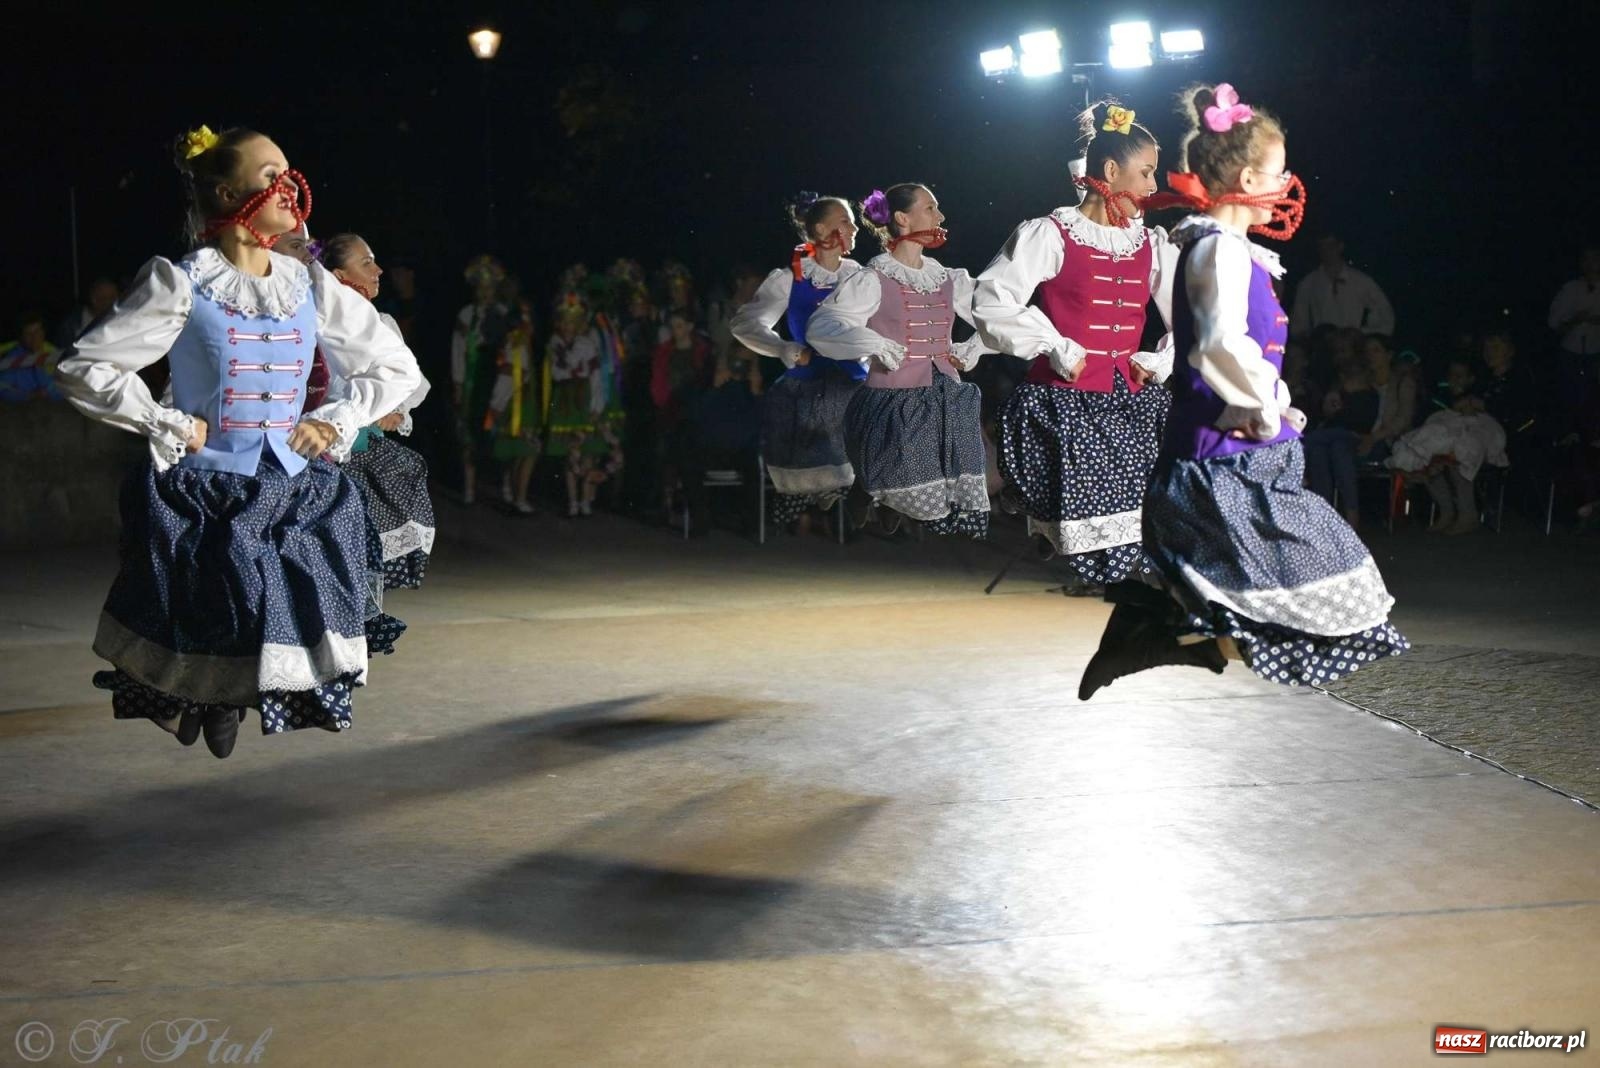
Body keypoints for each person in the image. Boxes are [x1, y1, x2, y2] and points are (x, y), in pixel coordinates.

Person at [53, 125, 422, 758]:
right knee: (219, 600)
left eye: (289, 171)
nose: (289, 186)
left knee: (289, 603)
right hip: (208, 486)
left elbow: (395, 367)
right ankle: (203, 699)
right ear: (227, 193)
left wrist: (335, 419)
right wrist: (164, 421)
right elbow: (84, 366)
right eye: (270, 175)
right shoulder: (183, 282)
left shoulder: (307, 284)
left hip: (294, 482)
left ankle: (224, 700)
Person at [1079, 83, 1407, 700]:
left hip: (1250, 455)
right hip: (1221, 461)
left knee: (1310, 592)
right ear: (1249, 178)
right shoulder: (1216, 251)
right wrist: (1263, 406)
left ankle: (1160, 629)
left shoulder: (1236, 252)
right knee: (1310, 588)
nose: (1285, 186)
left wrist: (1276, 408)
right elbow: (1217, 346)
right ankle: (1157, 630)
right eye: (1278, 174)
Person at [974, 100, 1176, 578]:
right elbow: (992, 299)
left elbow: (1191, 318)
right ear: (1111, 171)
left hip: (1129, 402)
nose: (1153, 186)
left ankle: (1077, 543)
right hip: (1065, 401)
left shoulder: (1150, 244)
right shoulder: (1051, 234)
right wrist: (1054, 344)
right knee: (1087, 520)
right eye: (1146, 172)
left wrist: (1162, 359)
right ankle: (1049, 520)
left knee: (1141, 530)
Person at [808, 183, 990, 537]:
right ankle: (873, 492)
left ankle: (887, 500)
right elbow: (824, 325)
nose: (940, 216)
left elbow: (995, 316)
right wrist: (874, 342)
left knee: (942, 490)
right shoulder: (874, 278)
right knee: (902, 467)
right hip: (893, 399)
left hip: (944, 396)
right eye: (930, 208)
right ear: (902, 218)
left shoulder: (947, 278)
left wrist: (975, 346)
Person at [731, 192, 865, 531]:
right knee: (799, 410)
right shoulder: (792, 277)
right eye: (846, 221)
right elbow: (745, 323)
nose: (854, 228)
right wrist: (785, 349)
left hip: (853, 376)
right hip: (810, 378)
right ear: (821, 230)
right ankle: (813, 488)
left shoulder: (859, 277)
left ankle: (854, 486)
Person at [318, 232, 436, 587]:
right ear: (338, 276)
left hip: (359, 453)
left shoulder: (381, 324)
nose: (378, 270)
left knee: (363, 563)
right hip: (320, 454)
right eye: (366, 263)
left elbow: (412, 383)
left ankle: (361, 619)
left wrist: (394, 411)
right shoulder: (315, 323)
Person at [450, 255, 510, 505]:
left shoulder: (504, 313)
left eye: (490, 287)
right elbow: (458, 349)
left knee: (501, 433)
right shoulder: (467, 314)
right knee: (469, 434)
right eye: (481, 287)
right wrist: (458, 382)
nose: (485, 292)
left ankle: (506, 489)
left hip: (498, 379)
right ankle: (469, 489)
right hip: (474, 380)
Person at [651, 307, 713, 529]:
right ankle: (667, 506)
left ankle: (696, 514)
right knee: (667, 457)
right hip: (670, 412)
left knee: (689, 461)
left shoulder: (702, 351)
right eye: (672, 327)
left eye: (679, 326)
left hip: (694, 415)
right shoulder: (664, 351)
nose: (675, 331)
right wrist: (664, 403)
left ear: (689, 327)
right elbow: (658, 382)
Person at [1289, 232, 1395, 338]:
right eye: (1322, 247)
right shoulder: (1308, 283)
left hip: (1352, 344)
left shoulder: (1360, 281)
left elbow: (1384, 313)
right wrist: (1307, 338)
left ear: (1340, 247)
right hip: (1323, 344)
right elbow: (1299, 320)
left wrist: (1363, 333)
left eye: (1330, 246)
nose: (1326, 251)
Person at [1547, 245, 1600, 422]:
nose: (1590, 264)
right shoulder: (1570, 288)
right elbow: (1553, 322)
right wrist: (1575, 320)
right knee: (1569, 398)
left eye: (1594, 259)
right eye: (1586, 259)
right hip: (1570, 353)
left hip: (1597, 353)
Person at [0, 314, 61, 401]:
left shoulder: (54, 354)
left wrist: (48, 391)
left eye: (37, 331)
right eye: (28, 334)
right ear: (22, 337)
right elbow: (2, 387)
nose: (34, 337)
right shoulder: (13, 359)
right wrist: (29, 396)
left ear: (43, 333)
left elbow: (66, 386)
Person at [54, 277, 120, 351]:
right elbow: (63, 352)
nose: (109, 303)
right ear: (93, 299)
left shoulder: (122, 319)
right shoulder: (72, 325)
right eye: (103, 298)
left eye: (113, 298)